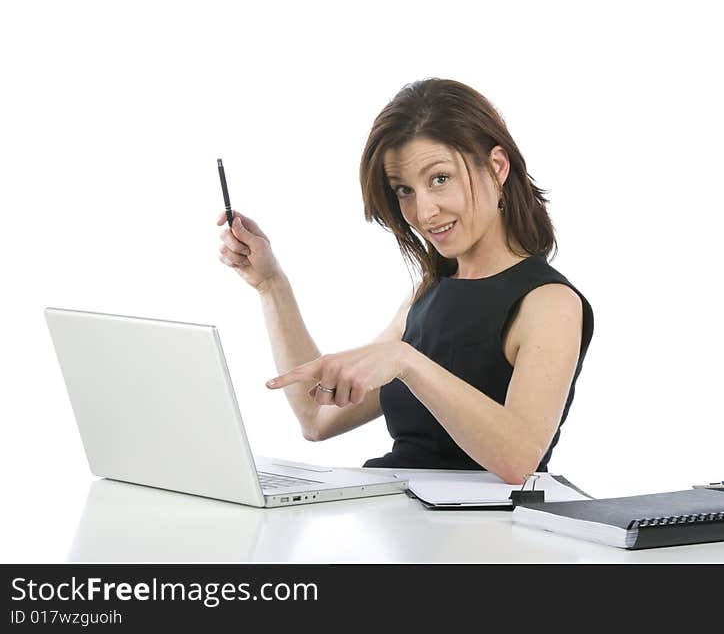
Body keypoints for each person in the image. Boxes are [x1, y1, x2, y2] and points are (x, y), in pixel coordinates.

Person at [216, 78, 593, 485]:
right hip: (397, 516)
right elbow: (317, 417)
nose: (424, 211)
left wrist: (406, 360)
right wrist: (271, 285)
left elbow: (519, 460)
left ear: (497, 166)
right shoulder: (428, 294)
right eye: (404, 190)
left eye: (440, 179)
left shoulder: (548, 302)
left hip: (483, 535)